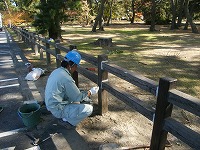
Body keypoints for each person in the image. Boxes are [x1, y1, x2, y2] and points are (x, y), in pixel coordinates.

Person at [45, 50, 99, 129]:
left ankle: (65, 114)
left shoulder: (56, 71)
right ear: (71, 65)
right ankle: (66, 120)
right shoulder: (66, 78)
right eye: (76, 66)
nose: (76, 68)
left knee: (77, 98)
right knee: (89, 109)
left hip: (52, 105)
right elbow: (77, 97)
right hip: (57, 109)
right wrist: (90, 92)